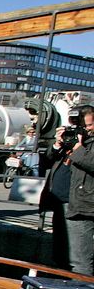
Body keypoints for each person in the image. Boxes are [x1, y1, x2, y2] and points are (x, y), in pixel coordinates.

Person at [40, 123, 75, 270]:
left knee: (73, 248)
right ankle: (59, 270)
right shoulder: (66, 146)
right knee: (60, 243)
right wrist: (57, 143)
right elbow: (46, 160)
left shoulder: (85, 146)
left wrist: (78, 146)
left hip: (74, 200)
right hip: (58, 199)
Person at [65, 105, 94, 275]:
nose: (86, 129)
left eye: (89, 126)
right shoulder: (81, 141)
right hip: (77, 205)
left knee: (81, 264)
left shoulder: (83, 145)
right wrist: (59, 144)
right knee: (76, 261)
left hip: (86, 206)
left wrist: (78, 150)